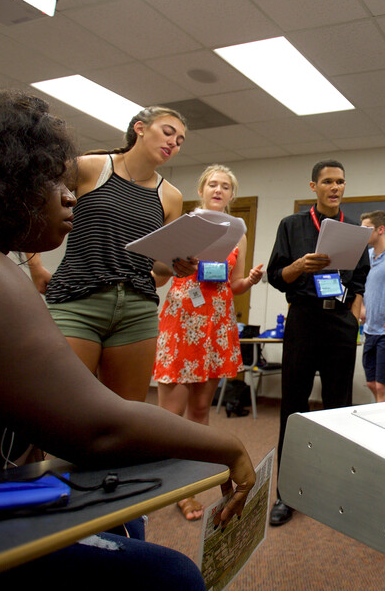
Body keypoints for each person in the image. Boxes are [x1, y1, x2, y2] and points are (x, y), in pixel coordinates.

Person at [0, 84, 254, 590]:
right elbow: (95, 427)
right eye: (50, 181)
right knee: (171, 576)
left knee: (124, 514)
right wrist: (228, 447)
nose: (70, 195)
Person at [27, 105, 195, 403]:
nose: (173, 143)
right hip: (77, 300)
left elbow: (158, 262)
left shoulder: (171, 195)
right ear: (140, 129)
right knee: (59, 404)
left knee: (126, 413)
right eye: (168, 133)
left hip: (136, 309)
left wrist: (176, 263)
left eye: (180, 141)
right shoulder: (90, 167)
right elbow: (33, 203)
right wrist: (36, 266)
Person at [153, 164, 264, 521]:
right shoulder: (183, 227)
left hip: (217, 322)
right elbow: (158, 272)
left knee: (201, 413)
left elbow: (232, 285)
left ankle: (190, 487)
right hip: (183, 318)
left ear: (232, 195)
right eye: (212, 184)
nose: (218, 190)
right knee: (170, 415)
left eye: (226, 186)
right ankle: (165, 484)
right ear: (201, 190)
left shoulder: (238, 234)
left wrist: (250, 280)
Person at [266, 159, 369, 526]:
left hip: (340, 320)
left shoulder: (354, 228)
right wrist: (299, 267)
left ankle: (335, 491)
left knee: (339, 407)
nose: (335, 187)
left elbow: (360, 276)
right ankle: (286, 493)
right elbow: (276, 276)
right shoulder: (292, 226)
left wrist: (355, 302)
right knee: (293, 407)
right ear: (314, 187)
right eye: (327, 181)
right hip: (304, 318)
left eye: (340, 181)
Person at [358, 210, 385, 402]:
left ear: (381, 229)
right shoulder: (365, 256)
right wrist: (362, 307)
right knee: (372, 384)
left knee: (383, 386)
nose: (362, 232)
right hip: (369, 331)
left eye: (366, 229)